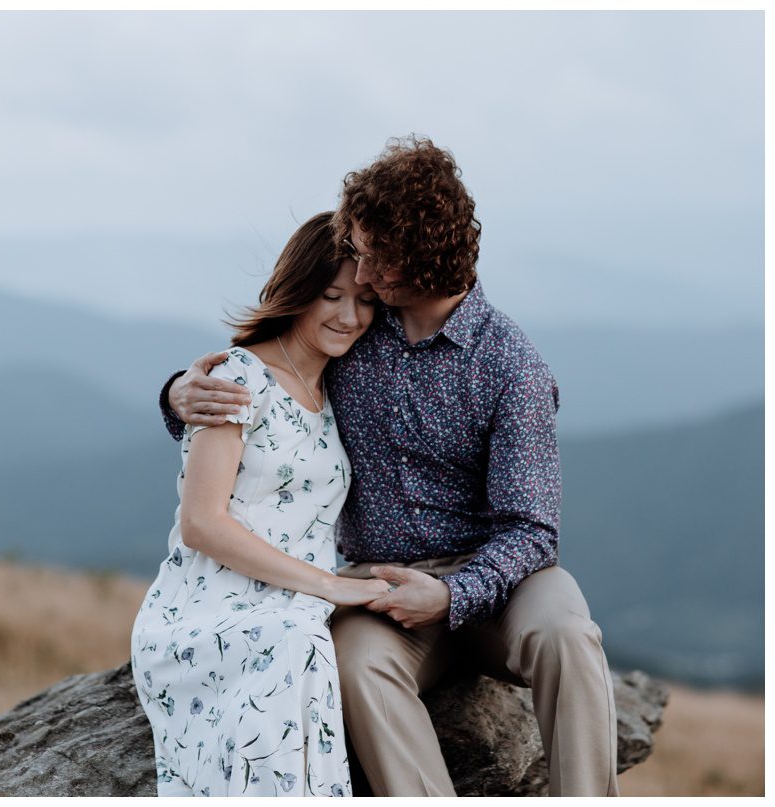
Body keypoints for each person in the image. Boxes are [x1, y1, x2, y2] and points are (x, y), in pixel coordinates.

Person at [159, 136, 619, 797]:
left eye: (373, 261)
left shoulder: (512, 368)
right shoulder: (357, 326)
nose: (360, 275)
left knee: (569, 636)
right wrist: (179, 393)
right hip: (379, 591)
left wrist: (455, 595)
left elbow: (533, 530)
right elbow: (269, 376)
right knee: (354, 664)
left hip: (501, 584)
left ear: (414, 267)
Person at [131, 212, 389, 797]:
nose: (350, 316)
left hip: (292, 602)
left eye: (366, 300)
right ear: (298, 288)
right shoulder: (239, 377)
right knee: (295, 642)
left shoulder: (341, 384)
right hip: (208, 608)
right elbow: (200, 523)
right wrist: (331, 586)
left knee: (303, 638)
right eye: (332, 296)